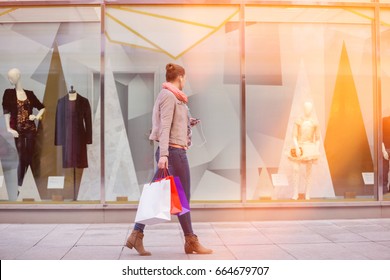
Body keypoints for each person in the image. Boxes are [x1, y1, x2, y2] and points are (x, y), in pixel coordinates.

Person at [126, 63, 212, 256]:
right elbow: (165, 127)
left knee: (168, 197)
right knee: (181, 199)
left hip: (173, 152)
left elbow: (171, 123)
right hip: (173, 154)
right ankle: (190, 240)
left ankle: (137, 234)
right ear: (180, 77)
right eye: (185, 78)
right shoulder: (169, 96)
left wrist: (187, 122)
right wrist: (164, 155)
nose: (186, 81)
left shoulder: (174, 97)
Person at [2, 68, 45, 195]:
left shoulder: (30, 94)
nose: (10, 80)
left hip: (31, 130)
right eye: (9, 77)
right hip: (18, 130)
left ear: (18, 76)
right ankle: (19, 185)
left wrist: (36, 117)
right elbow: (6, 112)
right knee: (21, 157)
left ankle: (30, 185)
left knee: (30, 156)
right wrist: (9, 128)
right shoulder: (8, 93)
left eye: (12, 77)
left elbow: (42, 108)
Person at [288, 101, 320, 200]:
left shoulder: (314, 122)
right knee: (295, 169)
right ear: (303, 108)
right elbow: (294, 136)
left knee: (309, 171)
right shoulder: (299, 121)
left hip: (310, 147)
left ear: (311, 109)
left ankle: (307, 193)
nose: (308, 110)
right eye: (306, 108)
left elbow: (318, 138)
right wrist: (297, 147)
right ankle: (295, 192)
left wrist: (316, 149)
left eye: (309, 108)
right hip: (300, 146)